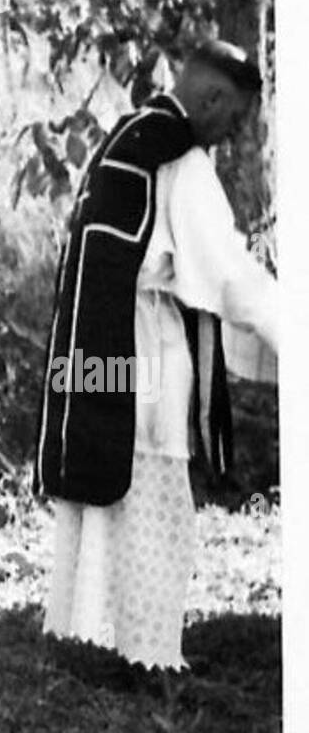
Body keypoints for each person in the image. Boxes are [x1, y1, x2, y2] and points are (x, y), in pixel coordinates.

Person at [35, 40, 279, 671]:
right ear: (211, 98)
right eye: (235, 118)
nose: (232, 134)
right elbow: (225, 275)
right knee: (154, 505)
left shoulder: (128, 135)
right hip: (145, 349)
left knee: (113, 492)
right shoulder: (183, 161)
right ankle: (144, 653)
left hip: (99, 344)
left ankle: (88, 632)